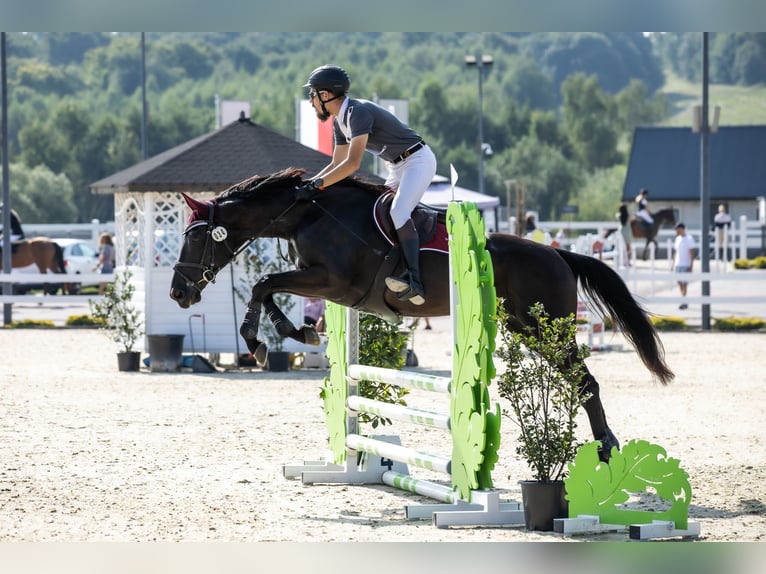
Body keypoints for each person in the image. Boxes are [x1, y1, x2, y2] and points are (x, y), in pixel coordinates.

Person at [296, 65, 437, 306]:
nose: (311, 101)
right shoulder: (340, 122)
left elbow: (351, 164)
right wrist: (311, 184)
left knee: (398, 212)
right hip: (397, 166)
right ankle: (391, 268)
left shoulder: (357, 112)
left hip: (418, 160)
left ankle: (414, 279)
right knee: (376, 213)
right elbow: (336, 162)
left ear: (326, 95)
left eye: (313, 94)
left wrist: (318, 184)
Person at [672, 222, 696, 310]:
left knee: (684, 284)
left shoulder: (689, 239)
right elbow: (676, 252)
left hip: (685, 264)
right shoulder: (677, 239)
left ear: (681, 229)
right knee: (680, 284)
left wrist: (691, 265)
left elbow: (692, 253)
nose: (676, 231)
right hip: (678, 264)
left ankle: (684, 302)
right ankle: (683, 300)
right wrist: (673, 264)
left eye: (677, 229)